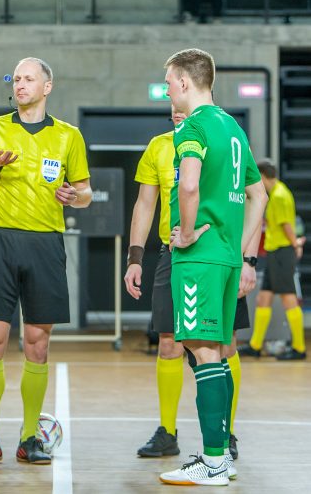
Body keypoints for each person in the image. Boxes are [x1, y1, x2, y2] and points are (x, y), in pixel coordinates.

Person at [0, 57, 91, 466]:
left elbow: (86, 192)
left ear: (47, 86)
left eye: (28, 78)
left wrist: (76, 197)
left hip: (45, 244)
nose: (20, 85)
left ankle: (29, 436)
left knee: (37, 344)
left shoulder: (69, 136)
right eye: (16, 79)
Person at [124, 107, 260, 461]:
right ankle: (167, 431)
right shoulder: (159, 146)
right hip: (174, 254)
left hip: (215, 253)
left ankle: (224, 433)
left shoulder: (220, 138)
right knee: (168, 342)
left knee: (224, 342)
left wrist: (248, 259)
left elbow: (251, 198)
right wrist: (135, 258)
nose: (176, 104)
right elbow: (144, 203)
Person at [158, 48, 267, 486]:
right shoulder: (233, 128)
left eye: (168, 82)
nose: (166, 90)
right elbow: (258, 195)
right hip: (224, 258)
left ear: (185, 82)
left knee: (202, 354)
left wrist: (184, 232)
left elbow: (188, 183)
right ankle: (221, 456)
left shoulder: (195, 127)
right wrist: (240, 251)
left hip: (198, 258)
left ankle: (214, 462)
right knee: (217, 355)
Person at [239, 160, 306, 360]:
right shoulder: (278, 192)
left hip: (282, 252)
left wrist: (295, 244)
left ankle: (299, 348)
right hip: (274, 253)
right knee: (263, 298)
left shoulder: (279, 196)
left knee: (288, 299)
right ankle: (255, 345)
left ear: (263, 175)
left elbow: (286, 225)